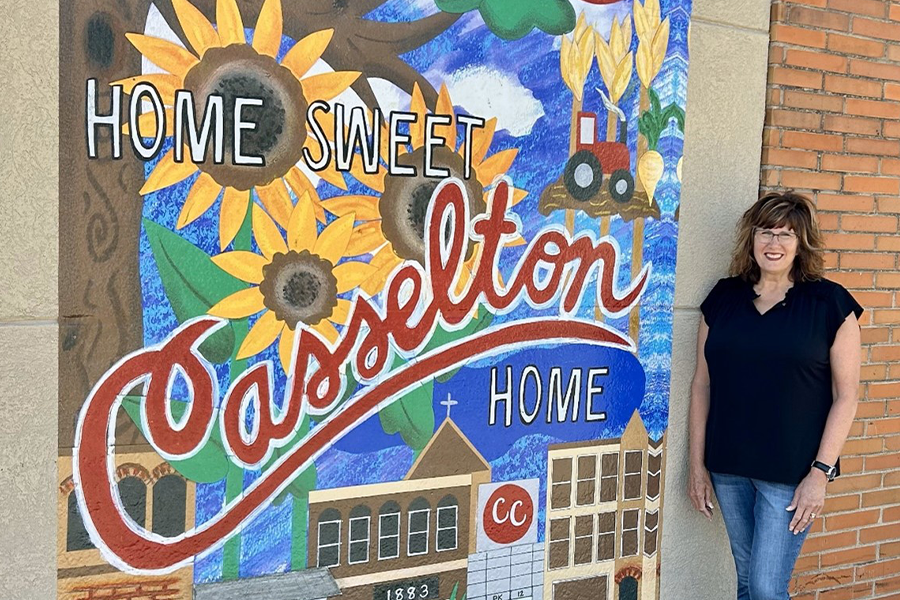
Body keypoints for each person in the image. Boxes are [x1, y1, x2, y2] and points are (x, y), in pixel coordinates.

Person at [687, 191, 862, 600]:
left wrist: (820, 473)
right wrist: (696, 465)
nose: (774, 242)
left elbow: (847, 396)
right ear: (751, 238)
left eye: (786, 234)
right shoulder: (723, 298)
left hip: (791, 473)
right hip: (728, 465)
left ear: (802, 243)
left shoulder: (830, 304)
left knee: (766, 587)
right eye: (765, 232)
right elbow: (701, 384)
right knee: (749, 582)